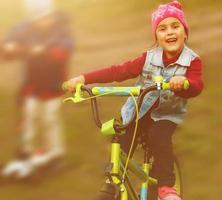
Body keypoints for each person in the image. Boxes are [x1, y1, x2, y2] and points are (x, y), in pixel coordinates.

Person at [64, 1, 202, 199]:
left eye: (175, 26)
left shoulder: (192, 61)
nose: (169, 32)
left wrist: (185, 83)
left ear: (185, 32)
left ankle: (166, 187)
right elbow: (118, 71)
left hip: (166, 115)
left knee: (159, 138)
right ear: (156, 37)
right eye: (162, 29)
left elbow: (197, 85)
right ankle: (114, 180)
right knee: (121, 141)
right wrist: (84, 79)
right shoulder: (148, 58)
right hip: (139, 111)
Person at [0, 0, 73, 179]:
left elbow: (66, 50)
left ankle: (56, 155)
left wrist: (45, 52)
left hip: (54, 84)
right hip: (31, 84)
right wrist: (9, 46)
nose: (43, 21)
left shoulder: (60, 28)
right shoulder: (24, 28)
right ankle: (26, 154)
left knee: (50, 118)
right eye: (39, 18)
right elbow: (8, 45)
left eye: (46, 17)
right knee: (29, 116)